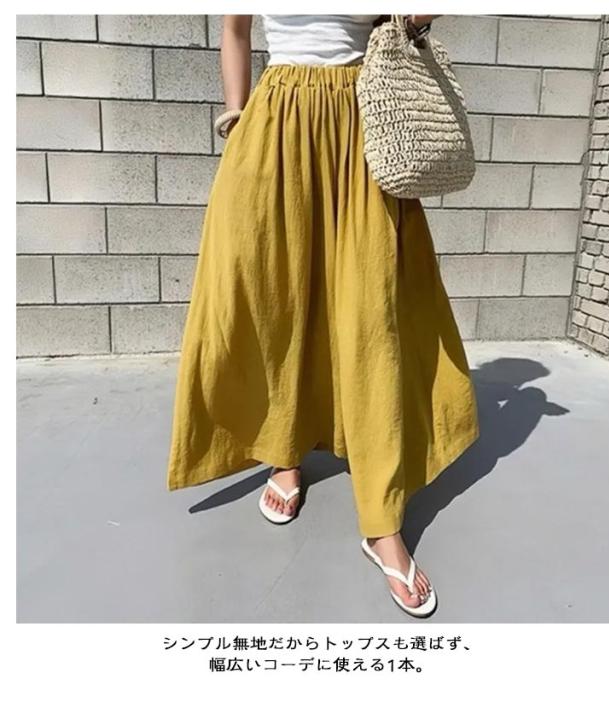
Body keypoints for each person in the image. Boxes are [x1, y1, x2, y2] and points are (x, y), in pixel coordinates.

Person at [166, 14, 480, 618]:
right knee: (272, 299)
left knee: (371, 319)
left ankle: (382, 521)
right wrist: (236, 113)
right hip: (276, 123)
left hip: (361, 127)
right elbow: (236, 30)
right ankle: (284, 451)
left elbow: (404, 27)